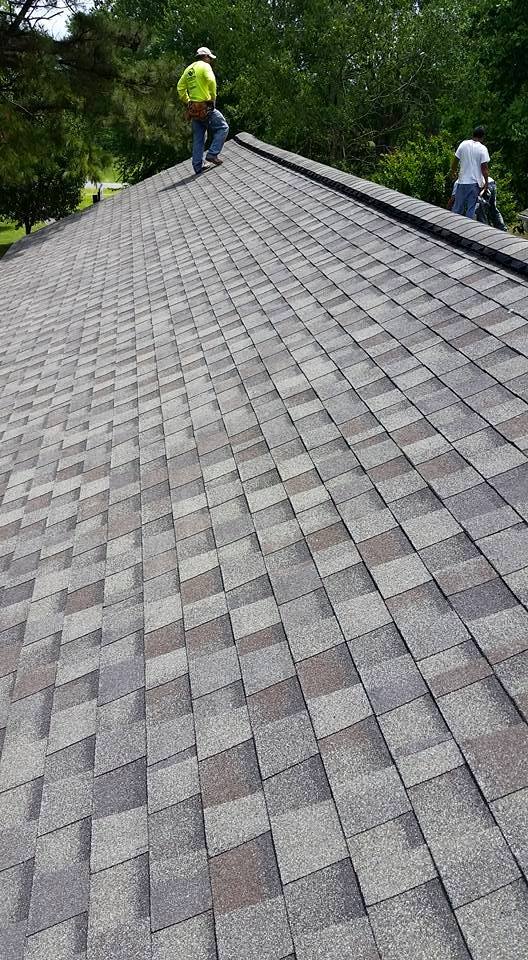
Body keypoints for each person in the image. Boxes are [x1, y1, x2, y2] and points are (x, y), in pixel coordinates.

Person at [177, 46, 229, 175]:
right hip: (205, 107)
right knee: (223, 127)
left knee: (199, 138)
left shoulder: (189, 69)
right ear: (205, 57)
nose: (210, 60)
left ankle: (197, 167)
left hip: (194, 109)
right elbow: (211, 81)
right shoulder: (205, 66)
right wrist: (213, 98)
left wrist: (188, 101)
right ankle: (212, 154)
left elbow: (180, 88)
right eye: (210, 58)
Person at [450, 126, 490, 219]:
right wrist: (486, 184)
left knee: (457, 208)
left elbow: (455, 160)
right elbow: (484, 169)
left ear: (473, 134)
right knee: (470, 209)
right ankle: (467, 231)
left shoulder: (463, 144)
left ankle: (452, 227)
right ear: (482, 137)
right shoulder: (483, 148)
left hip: (462, 182)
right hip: (474, 184)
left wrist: (453, 172)